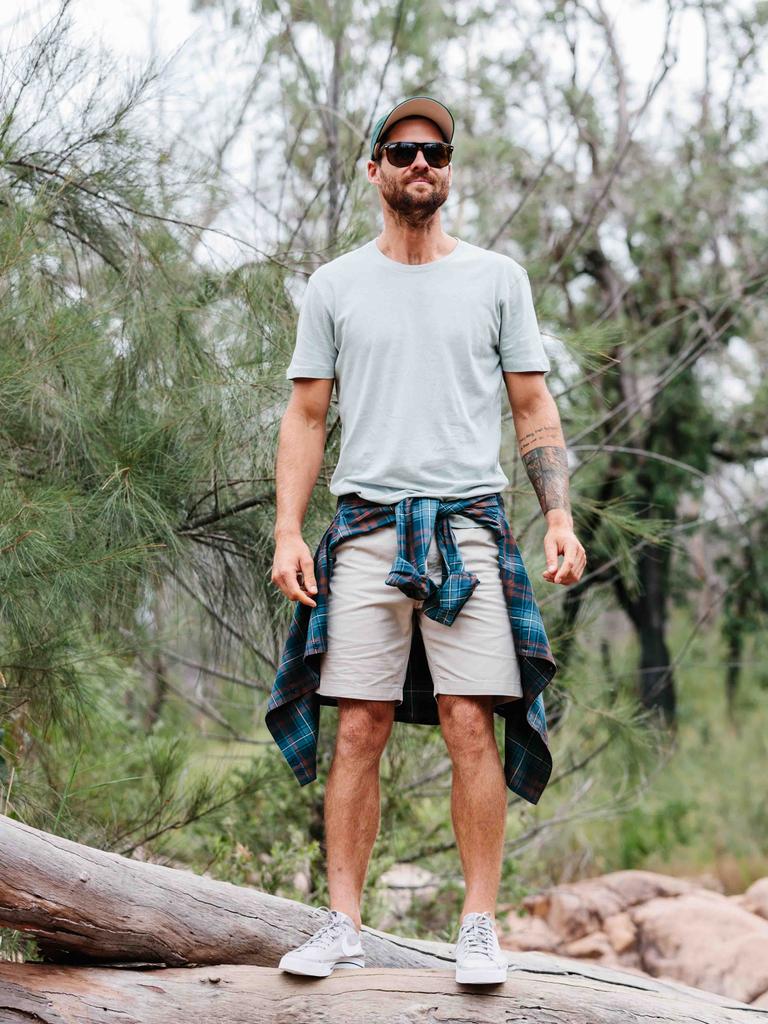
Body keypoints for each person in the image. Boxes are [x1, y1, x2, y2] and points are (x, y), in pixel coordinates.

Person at [268, 95, 586, 984]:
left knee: (469, 723)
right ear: (374, 169)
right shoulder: (335, 285)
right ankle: (341, 924)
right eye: (403, 150)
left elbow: (532, 406)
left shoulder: (497, 279)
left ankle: (477, 929)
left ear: (448, 170)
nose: (421, 164)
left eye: (435, 151)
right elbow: (305, 414)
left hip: (469, 527)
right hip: (366, 526)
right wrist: (289, 528)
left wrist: (558, 514)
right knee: (361, 726)